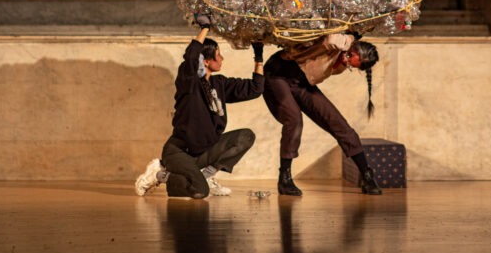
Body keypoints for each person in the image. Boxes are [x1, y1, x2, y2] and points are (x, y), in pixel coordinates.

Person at [135, 14, 265, 198]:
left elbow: (255, 89)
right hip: (179, 153)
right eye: (218, 55)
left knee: (245, 136)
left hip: (205, 151)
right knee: (199, 191)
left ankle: (206, 177)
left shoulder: (220, 84)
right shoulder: (189, 82)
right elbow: (190, 56)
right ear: (206, 61)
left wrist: (258, 56)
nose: (222, 59)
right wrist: (205, 28)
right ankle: (159, 174)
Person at [262, 32, 382, 196]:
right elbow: (331, 40)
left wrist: (345, 55)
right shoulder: (339, 43)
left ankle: (367, 175)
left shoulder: (341, 65)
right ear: (352, 49)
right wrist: (349, 38)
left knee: (338, 123)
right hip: (278, 73)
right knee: (294, 120)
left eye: (351, 66)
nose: (347, 64)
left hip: (302, 82)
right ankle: (284, 178)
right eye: (349, 57)